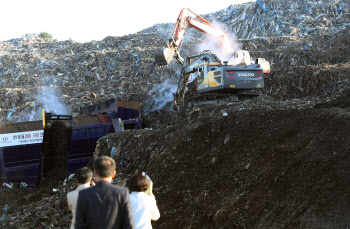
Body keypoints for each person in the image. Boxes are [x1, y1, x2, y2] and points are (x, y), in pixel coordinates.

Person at [75, 156, 134, 229]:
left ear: (95, 173)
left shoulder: (83, 194)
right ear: (113, 174)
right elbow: (129, 224)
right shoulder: (122, 193)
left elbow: (79, 225)